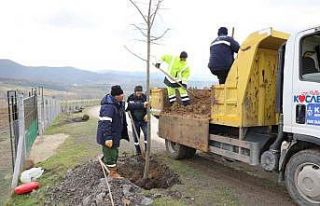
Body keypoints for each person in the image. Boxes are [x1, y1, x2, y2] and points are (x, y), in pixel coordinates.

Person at [96, 85, 129, 179]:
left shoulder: (118, 103)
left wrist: (143, 105)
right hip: (108, 135)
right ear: (116, 96)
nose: (123, 96)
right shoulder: (108, 107)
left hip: (115, 134)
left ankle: (106, 162)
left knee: (114, 151)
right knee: (111, 154)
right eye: (121, 94)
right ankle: (112, 173)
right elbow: (105, 123)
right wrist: (107, 138)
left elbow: (129, 106)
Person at [126, 85, 148, 156]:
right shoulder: (131, 98)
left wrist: (147, 114)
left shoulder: (145, 97)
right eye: (137, 92)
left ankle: (147, 150)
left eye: (140, 92)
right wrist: (142, 105)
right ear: (135, 92)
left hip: (143, 121)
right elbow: (131, 105)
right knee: (136, 136)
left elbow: (149, 107)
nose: (139, 94)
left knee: (147, 134)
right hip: (135, 121)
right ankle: (138, 152)